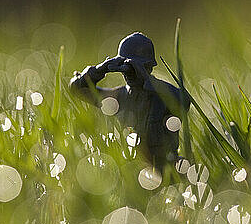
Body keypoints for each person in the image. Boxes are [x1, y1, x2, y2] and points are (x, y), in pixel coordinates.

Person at [69, 32, 189, 171]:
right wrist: (99, 70)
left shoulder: (161, 96)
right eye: (126, 69)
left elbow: (184, 101)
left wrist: (147, 80)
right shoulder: (119, 98)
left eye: (135, 68)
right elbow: (77, 90)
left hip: (165, 167)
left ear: (149, 67)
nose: (129, 73)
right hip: (133, 170)